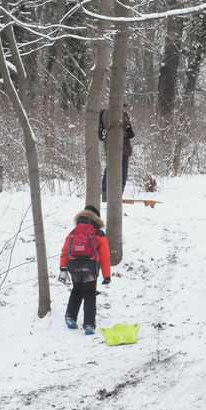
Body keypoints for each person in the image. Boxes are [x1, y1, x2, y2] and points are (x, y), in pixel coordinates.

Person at [58, 204, 111, 335]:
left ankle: (70, 316)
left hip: (74, 267)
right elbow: (105, 256)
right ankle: (89, 325)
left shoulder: (74, 232)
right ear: (96, 218)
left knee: (76, 290)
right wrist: (107, 276)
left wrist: (63, 267)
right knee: (89, 294)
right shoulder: (98, 233)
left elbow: (65, 250)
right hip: (90, 268)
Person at [98, 105, 136, 197]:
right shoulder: (104, 115)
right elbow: (101, 135)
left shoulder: (124, 115)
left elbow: (131, 134)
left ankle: (117, 196)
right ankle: (105, 196)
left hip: (124, 150)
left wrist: (123, 133)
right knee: (110, 173)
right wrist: (114, 134)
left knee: (122, 175)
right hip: (112, 149)